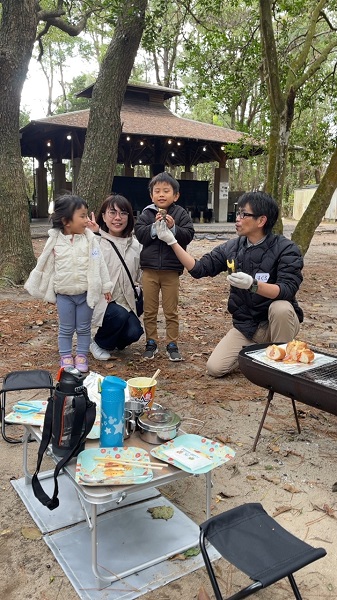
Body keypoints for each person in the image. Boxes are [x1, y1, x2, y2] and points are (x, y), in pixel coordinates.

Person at [155, 191, 304, 376]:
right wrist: (172, 241)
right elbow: (199, 269)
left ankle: (281, 366)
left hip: (276, 323)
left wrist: (253, 284)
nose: (238, 219)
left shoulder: (286, 249)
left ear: (261, 220)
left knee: (281, 308)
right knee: (215, 368)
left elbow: (287, 289)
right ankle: (261, 350)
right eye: (238, 213)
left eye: (244, 214)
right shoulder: (232, 247)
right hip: (248, 326)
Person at [24, 194, 112, 372]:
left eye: (87, 215)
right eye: (82, 216)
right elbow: (46, 264)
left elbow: (99, 263)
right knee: (65, 328)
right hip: (64, 294)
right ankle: (65, 356)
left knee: (83, 328)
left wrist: (105, 286)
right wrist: (46, 290)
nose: (87, 220)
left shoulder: (90, 239)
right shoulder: (55, 240)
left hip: (85, 293)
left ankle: (81, 356)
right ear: (66, 221)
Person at [134, 172, 195, 361]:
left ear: (175, 195)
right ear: (151, 195)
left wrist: (173, 228)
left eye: (166, 191)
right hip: (150, 270)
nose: (161, 194)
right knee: (150, 309)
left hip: (171, 271)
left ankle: (172, 343)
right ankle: (151, 342)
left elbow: (188, 235)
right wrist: (154, 227)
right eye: (157, 191)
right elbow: (140, 234)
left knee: (171, 310)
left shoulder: (180, 213)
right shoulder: (146, 213)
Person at [87, 194, 144, 359]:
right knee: (118, 314)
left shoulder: (135, 246)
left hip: (126, 300)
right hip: (103, 301)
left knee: (135, 332)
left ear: (129, 217)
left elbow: (141, 274)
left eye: (123, 213)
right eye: (112, 213)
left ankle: (111, 340)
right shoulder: (95, 242)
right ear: (103, 216)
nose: (117, 218)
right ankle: (98, 343)